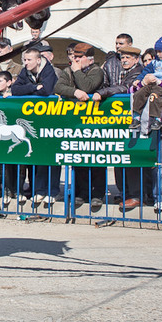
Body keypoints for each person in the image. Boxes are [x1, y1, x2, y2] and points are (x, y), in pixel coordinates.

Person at [92, 45, 149, 210]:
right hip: (119, 122)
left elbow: (126, 88)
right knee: (119, 157)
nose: (124, 60)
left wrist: (104, 93)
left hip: (135, 121)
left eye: (128, 58)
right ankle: (125, 193)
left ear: (136, 59)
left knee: (131, 158)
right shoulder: (118, 70)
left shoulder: (139, 71)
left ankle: (136, 195)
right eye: (122, 57)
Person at [55, 42, 105, 209]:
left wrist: (77, 73)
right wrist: (74, 92)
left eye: (78, 58)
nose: (74, 60)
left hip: (95, 121)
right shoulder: (67, 71)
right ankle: (81, 193)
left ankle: (98, 193)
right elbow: (59, 86)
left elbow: (88, 86)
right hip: (76, 122)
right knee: (79, 157)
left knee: (97, 158)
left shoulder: (97, 71)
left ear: (89, 59)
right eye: (73, 57)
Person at [11, 47, 57, 206]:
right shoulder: (25, 71)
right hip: (31, 120)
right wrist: (32, 88)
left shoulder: (48, 70)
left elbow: (47, 90)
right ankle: (35, 189)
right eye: (24, 60)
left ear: (38, 60)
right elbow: (15, 90)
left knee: (47, 157)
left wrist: (33, 91)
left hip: (49, 120)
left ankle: (48, 191)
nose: (26, 63)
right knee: (31, 156)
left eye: (29, 60)